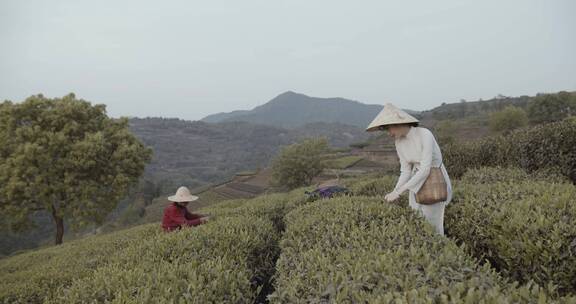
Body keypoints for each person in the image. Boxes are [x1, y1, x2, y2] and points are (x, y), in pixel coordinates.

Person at [366, 103, 452, 235]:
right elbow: (405, 171)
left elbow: (425, 169)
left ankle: (441, 250)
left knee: (433, 224)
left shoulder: (424, 134)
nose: (389, 134)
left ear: (398, 124)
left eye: (389, 129)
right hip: (415, 180)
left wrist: (399, 192)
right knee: (417, 217)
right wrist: (395, 191)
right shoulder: (399, 141)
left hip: (434, 179)